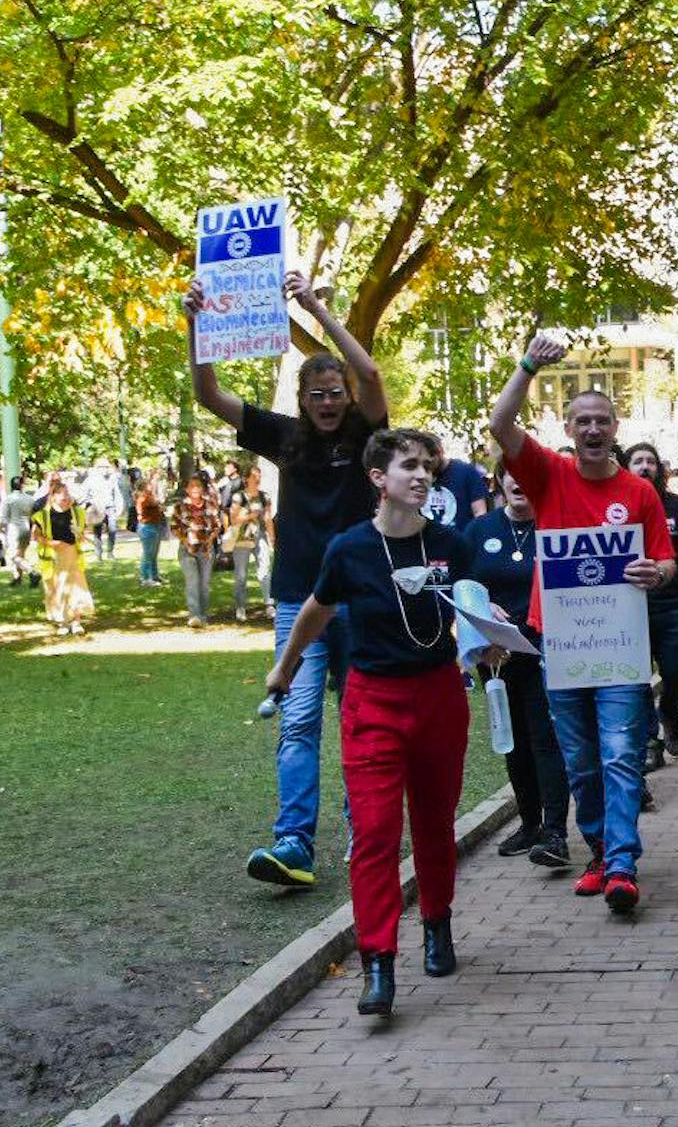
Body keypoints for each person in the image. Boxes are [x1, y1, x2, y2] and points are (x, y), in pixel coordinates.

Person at [265, 428, 488, 1017]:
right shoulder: (350, 548)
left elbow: (477, 610)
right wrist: (284, 669)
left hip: (439, 695)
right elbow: (317, 607)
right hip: (372, 702)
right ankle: (378, 961)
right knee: (376, 832)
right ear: (377, 478)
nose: (422, 476)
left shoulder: (450, 544)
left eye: (427, 468)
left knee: (436, 823)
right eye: (408, 466)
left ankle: (437, 924)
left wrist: (492, 642)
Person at [185, 269, 389, 890]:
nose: (328, 402)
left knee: (362, 721)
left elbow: (373, 375)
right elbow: (208, 396)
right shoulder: (284, 435)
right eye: (317, 394)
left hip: (360, 600)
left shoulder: (365, 434)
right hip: (299, 603)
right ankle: (293, 843)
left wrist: (316, 310)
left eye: (334, 392)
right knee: (298, 723)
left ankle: (367, 832)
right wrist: (195, 325)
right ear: (302, 400)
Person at [490, 330, 676, 915]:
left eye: (602, 420)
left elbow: (665, 558)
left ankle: (622, 862)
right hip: (561, 644)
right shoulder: (548, 475)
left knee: (621, 752)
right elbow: (500, 424)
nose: (593, 430)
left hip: (620, 645)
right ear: (569, 431)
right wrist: (527, 367)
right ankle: (597, 847)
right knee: (579, 759)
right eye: (582, 421)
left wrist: (658, 574)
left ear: (615, 428)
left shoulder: (639, 492)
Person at [468, 465, 572, 868]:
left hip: (545, 651)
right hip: (495, 655)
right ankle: (529, 823)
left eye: (524, 473)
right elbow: (460, 584)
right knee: (513, 741)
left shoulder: (557, 526)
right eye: (509, 473)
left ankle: (554, 830)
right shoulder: (478, 531)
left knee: (546, 739)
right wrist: (481, 605)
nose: (518, 480)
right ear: (499, 481)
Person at [623, 442, 678, 772]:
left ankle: (670, 714)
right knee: (637, 678)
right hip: (629, 610)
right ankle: (650, 742)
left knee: (676, 672)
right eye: (637, 461)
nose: (644, 467)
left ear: (660, 468)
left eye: (650, 461)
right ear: (626, 467)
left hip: (672, 606)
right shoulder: (618, 507)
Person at [31, 477, 95, 634]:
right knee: (56, 588)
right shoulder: (42, 515)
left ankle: (76, 620)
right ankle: (62, 622)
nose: (65, 498)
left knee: (75, 587)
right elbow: (36, 535)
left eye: (67, 494)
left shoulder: (78, 512)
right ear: (53, 496)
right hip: (53, 558)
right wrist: (52, 543)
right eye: (61, 494)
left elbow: (86, 532)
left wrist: (83, 535)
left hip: (73, 555)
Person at [169, 473, 225, 628]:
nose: (195, 489)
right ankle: (194, 615)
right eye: (191, 486)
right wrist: (185, 540)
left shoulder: (210, 505)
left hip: (206, 549)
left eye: (198, 486)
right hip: (187, 549)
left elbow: (217, 526)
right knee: (193, 581)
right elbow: (173, 527)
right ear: (187, 489)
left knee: (204, 584)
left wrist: (209, 540)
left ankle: (203, 614)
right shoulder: (180, 507)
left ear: (202, 489)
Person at [226, 467, 275, 622]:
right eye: (254, 476)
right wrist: (249, 516)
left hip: (260, 536)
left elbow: (267, 518)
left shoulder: (264, 496)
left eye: (259, 475)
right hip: (242, 537)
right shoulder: (238, 497)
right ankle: (240, 607)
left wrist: (272, 537)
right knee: (241, 574)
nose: (257, 478)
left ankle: (269, 604)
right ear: (247, 478)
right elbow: (233, 519)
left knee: (265, 570)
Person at [423, 451, 490, 530]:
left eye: (431, 455)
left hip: (463, 538)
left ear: (440, 451)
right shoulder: (420, 476)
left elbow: (480, 513)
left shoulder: (465, 471)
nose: (429, 462)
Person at [0, 477, 38, 588]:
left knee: (12, 555)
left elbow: (4, 518)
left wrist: (1, 531)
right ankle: (17, 578)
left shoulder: (9, 499)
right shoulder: (30, 499)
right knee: (21, 554)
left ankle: (31, 572)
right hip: (26, 527)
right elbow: (32, 515)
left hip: (13, 528)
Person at [85, 458, 127, 561]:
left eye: (106, 467)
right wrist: (89, 505)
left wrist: (119, 507)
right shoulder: (91, 479)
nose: (104, 469)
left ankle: (110, 552)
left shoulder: (112, 479)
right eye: (102, 467)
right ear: (97, 468)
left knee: (112, 529)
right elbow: (85, 493)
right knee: (97, 532)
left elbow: (117, 493)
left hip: (110, 507)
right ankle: (98, 554)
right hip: (97, 508)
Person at [135, 472, 168, 587]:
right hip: (147, 527)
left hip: (154, 525)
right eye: (149, 484)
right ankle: (145, 578)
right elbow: (157, 504)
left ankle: (154, 575)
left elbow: (160, 506)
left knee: (153, 554)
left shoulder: (149, 495)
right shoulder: (145, 497)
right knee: (148, 554)